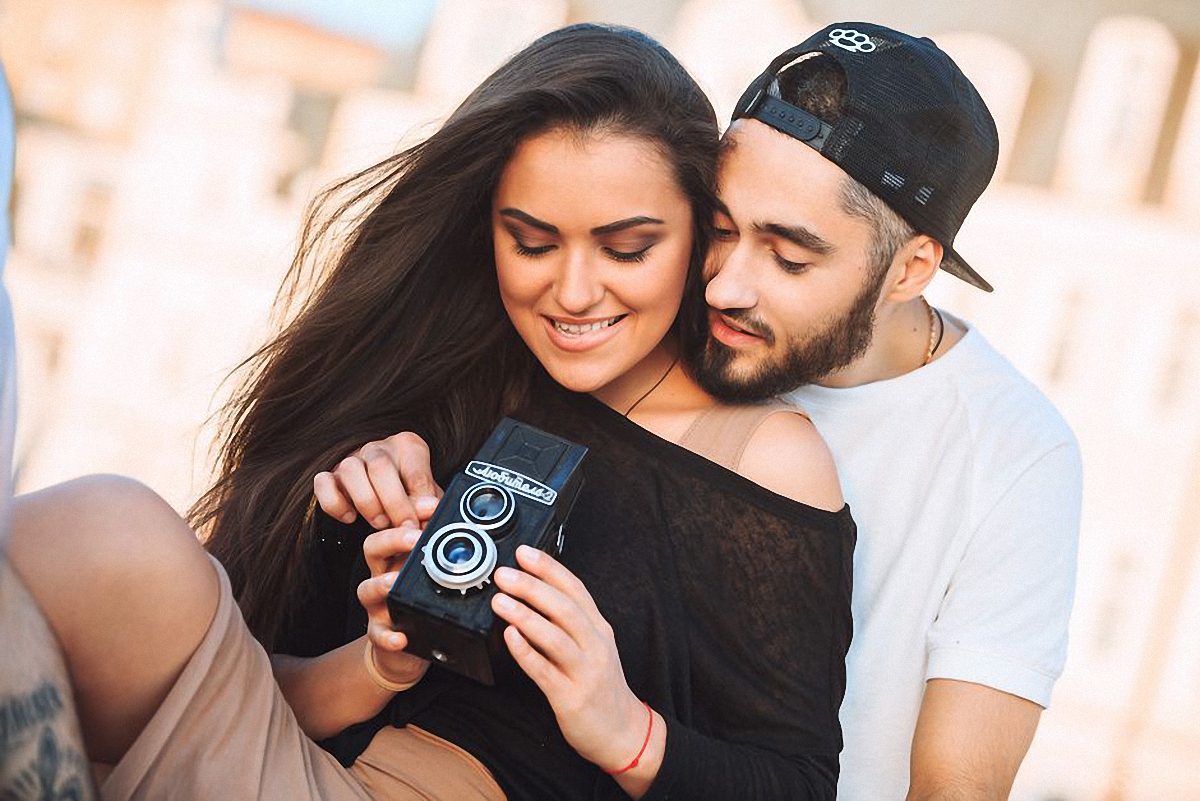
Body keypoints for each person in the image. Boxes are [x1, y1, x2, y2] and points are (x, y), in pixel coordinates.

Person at [7, 24, 853, 800]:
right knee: (99, 528)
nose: (572, 291)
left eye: (627, 248)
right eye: (530, 241)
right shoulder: (451, 383)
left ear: (701, 235)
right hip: (299, 770)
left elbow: (799, 783)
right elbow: (280, 691)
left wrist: (625, 731)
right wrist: (367, 614)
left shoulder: (760, 453)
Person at [362, 22, 1082, 801]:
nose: (723, 286)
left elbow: (959, 786)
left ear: (910, 270)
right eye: (718, 229)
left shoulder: (1014, 452)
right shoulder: (645, 319)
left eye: (790, 256)